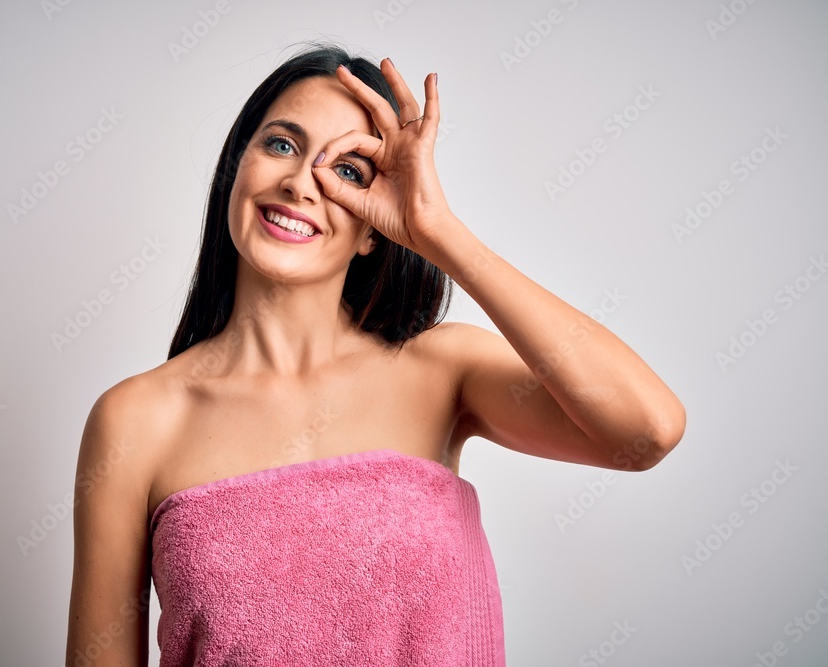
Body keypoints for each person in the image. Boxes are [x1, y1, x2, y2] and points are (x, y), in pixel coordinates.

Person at [65, 41, 686, 666]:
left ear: (372, 229)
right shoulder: (135, 420)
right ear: (237, 167)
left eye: (347, 172)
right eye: (281, 144)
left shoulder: (443, 372)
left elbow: (646, 430)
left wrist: (439, 233)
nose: (299, 182)